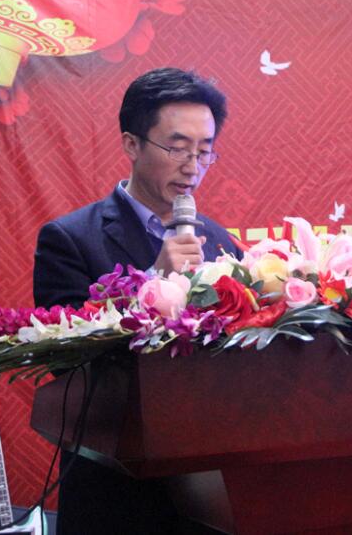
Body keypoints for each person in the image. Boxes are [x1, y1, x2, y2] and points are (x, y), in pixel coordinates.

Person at [33, 67, 241, 535]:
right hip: (116, 496)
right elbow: (68, 365)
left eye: (204, 151)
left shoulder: (220, 242)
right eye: (177, 148)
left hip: (211, 492)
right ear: (132, 144)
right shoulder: (69, 239)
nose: (192, 166)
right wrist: (153, 282)